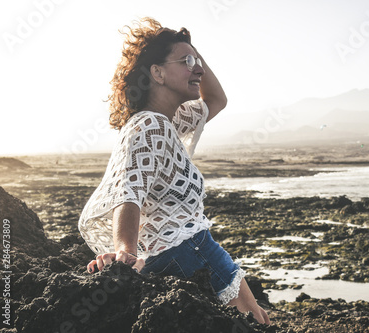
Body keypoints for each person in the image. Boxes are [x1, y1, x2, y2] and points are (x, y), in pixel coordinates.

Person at [78, 17, 270, 325]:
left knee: (257, 320)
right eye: (187, 62)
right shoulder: (151, 126)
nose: (199, 69)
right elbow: (129, 190)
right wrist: (124, 250)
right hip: (189, 254)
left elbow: (217, 99)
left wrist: (191, 53)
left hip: (194, 250)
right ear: (157, 73)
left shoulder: (170, 120)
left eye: (198, 62)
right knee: (253, 324)